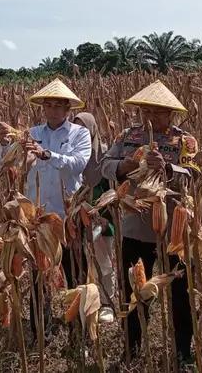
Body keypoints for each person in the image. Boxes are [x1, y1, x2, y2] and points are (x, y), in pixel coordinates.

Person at [100, 80, 197, 363]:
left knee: (181, 293)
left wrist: (168, 167)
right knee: (135, 293)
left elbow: (195, 172)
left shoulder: (185, 140)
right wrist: (127, 164)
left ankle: (183, 352)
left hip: (175, 231)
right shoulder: (128, 136)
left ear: (171, 114)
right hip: (135, 226)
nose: (153, 117)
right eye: (148, 111)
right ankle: (132, 349)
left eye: (160, 112)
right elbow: (106, 165)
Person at [23, 78, 91, 339]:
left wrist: (47, 155)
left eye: (57, 105)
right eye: (47, 105)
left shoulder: (78, 134)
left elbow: (78, 163)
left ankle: (79, 330)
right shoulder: (33, 133)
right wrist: (12, 149)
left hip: (68, 214)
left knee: (75, 271)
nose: (52, 110)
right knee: (38, 275)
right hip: (38, 216)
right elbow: (15, 163)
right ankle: (40, 330)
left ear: (67, 109)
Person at [73, 111, 116, 325]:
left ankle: (108, 302)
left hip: (102, 217)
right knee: (80, 261)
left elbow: (114, 190)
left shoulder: (105, 155)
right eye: (77, 129)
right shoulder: (71, 154)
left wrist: (103, 215)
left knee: (103, 260)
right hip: (76, 219)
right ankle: (87, 301)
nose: (81, 134)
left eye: (85, 130)